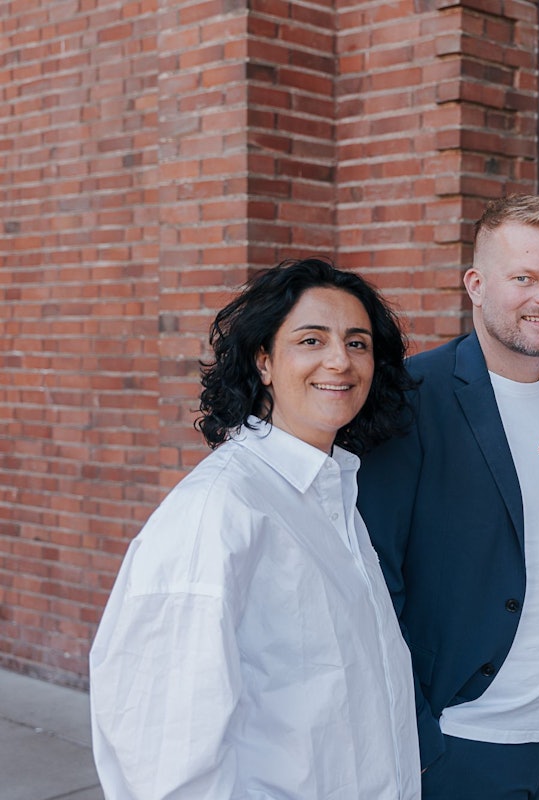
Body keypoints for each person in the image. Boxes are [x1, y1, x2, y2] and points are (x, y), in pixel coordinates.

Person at [90, 258, 421, 799]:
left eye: (357, 343)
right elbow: (161, 757)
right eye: (311, 341)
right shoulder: (217, 512)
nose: (340, 360)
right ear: (264, 360)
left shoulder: (332, 493)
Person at [357, 194, 539, 799]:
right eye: (524, 278)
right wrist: (419, 735)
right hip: (462, 738)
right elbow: (375, 574)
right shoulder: (414, 396)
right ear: (476, 284)